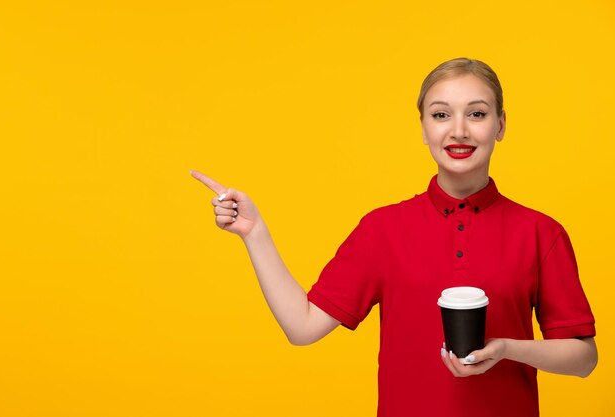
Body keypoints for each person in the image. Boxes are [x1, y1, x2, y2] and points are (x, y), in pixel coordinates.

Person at [191, 58, 597, 417]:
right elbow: (303, 327)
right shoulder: (382, 229)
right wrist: (254, 233)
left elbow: (583, 358)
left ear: (501, 125)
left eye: (476, 114)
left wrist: (507, 348)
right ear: (423, 128)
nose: (458, 131)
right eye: (441, 115)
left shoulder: (541, 232)